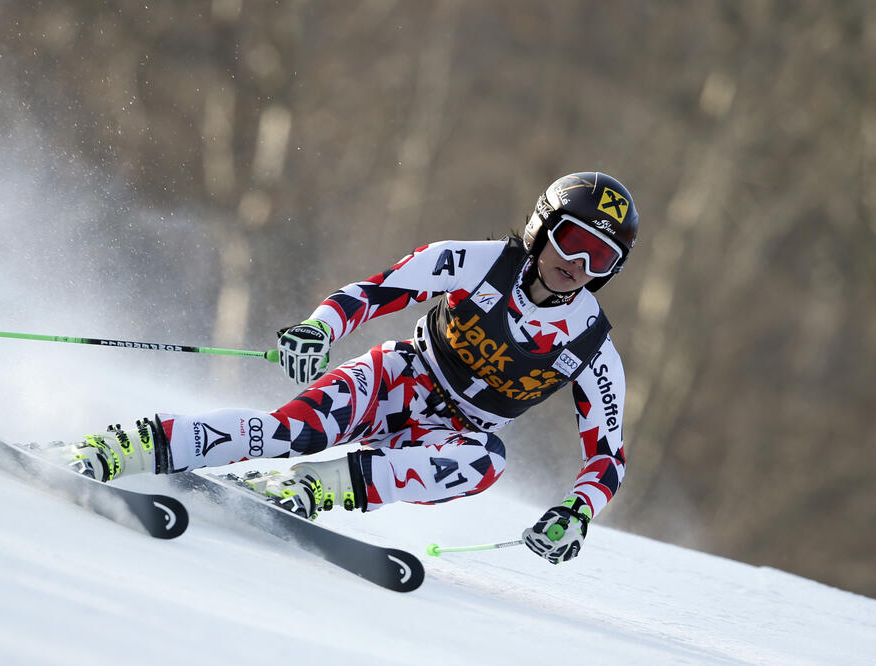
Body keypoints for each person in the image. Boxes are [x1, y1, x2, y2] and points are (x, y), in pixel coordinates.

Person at [56, 171, 638, 565]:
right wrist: (319, 329)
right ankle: (128, 445)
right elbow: (373, 292)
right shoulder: (478, 262)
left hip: (451, 434)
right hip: (394, 380)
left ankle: (310, 489)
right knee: (291, 432)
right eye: (571, 241)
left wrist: (576, 512)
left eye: (601, 256)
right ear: (542, 229)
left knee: (486, 461)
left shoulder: (591, 344)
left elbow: (607, 456)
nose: (578, 263)